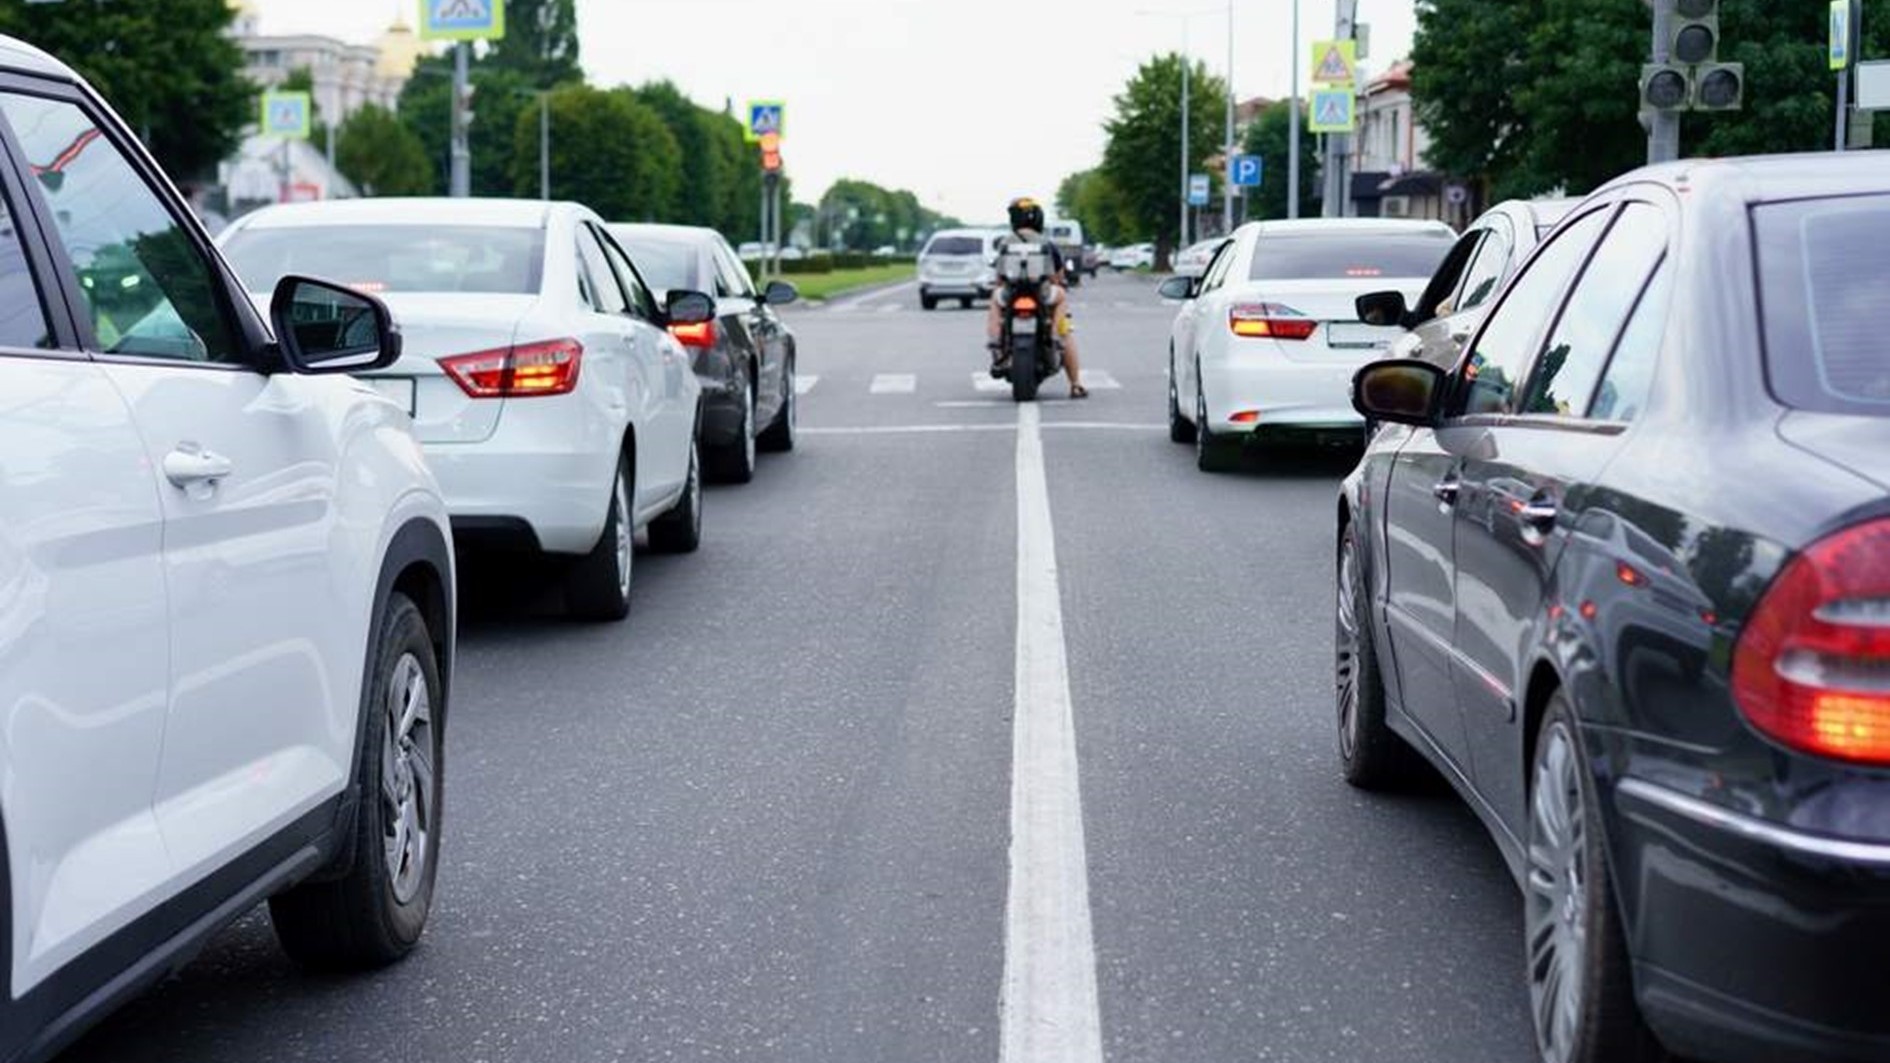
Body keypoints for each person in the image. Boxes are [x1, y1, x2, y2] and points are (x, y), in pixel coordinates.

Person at [986, 196, 1087, 398]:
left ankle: (997, 344)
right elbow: (1057, 277)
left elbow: (999, 277)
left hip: (1011, 294)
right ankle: (1074, 380)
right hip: (1041, 294)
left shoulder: (1006, 242)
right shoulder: (1046, 243)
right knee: (1062, 301)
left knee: (995, 300)